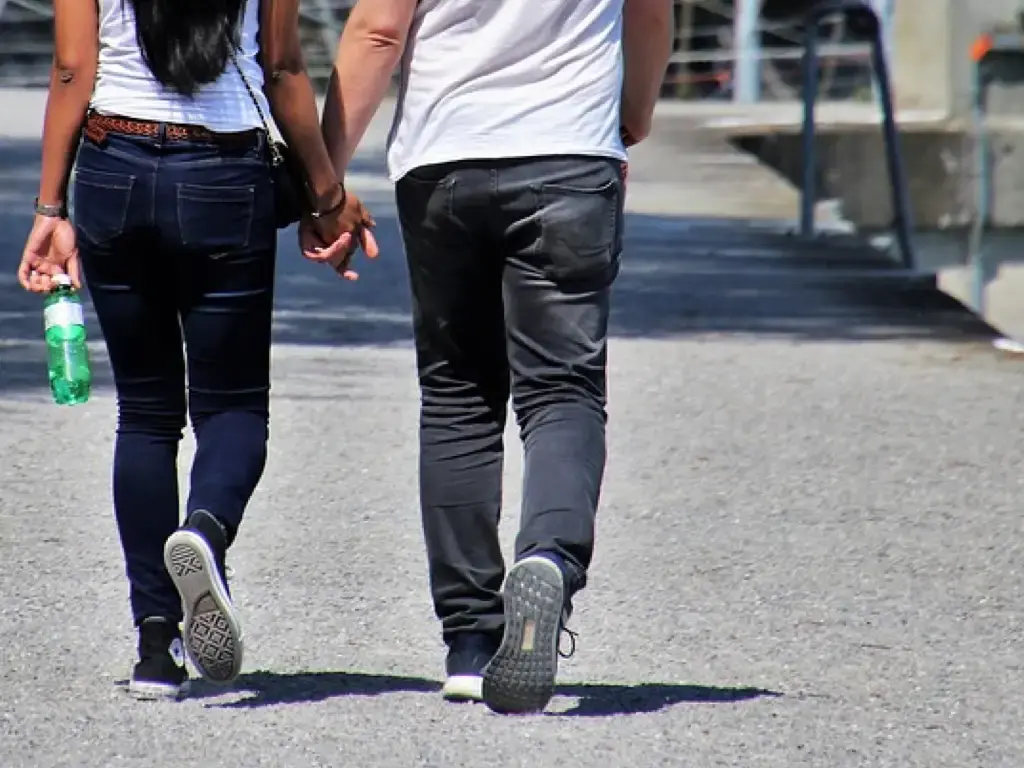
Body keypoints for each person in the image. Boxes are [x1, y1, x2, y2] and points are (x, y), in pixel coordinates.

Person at [318, 0, 673, 713]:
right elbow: (650, 13)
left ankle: (471, 641)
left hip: (444, 155)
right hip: (571, 150)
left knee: (459, 394)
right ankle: (549, 556)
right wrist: (632, 109)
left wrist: (322, 181)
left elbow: (378, 30)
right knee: (564, 391)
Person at [17, 0, 372, 700]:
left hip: (113, 166)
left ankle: (156, 646)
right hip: (222, 172)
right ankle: (205, 530)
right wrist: (327, 196)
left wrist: (50, 209)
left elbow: (71, 68)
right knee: (233, 409)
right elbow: (283, 68)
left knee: (146, 416)